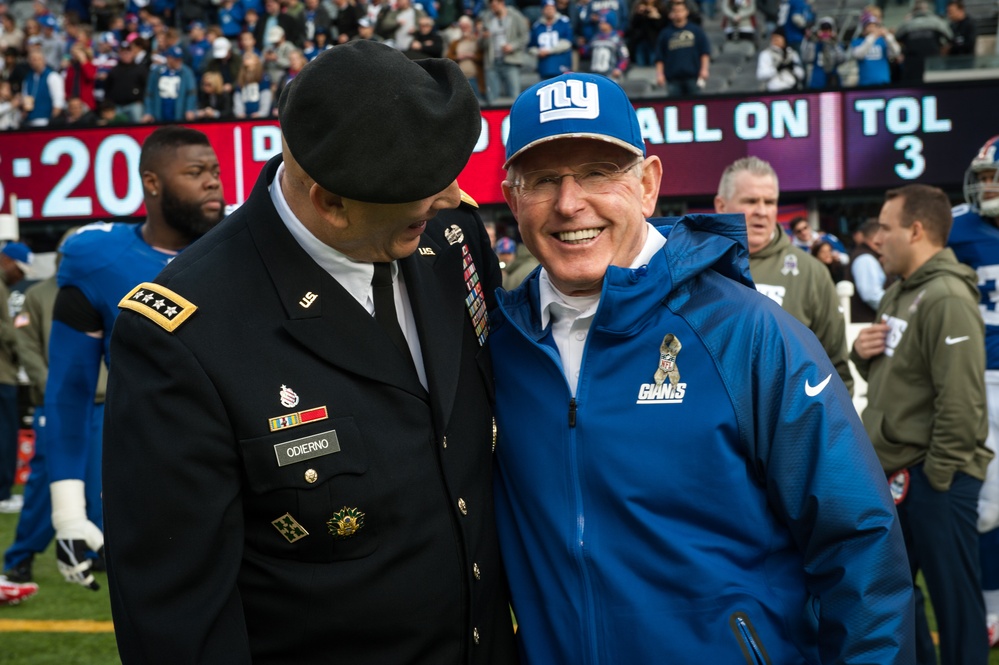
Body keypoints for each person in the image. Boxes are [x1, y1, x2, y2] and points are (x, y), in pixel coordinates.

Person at [102, 41, 518, 663]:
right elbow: (178, 623)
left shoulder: (449, 242)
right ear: (331, 201)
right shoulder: (185, 334)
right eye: (422, 191)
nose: (453, 199)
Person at [492, 71, 914, 664]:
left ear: (647, 184)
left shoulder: (748, 334)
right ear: (512, 199)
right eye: (542, 180)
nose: (569, 202)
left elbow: (859, 543)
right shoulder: (499, 345)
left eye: (596, 172)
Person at [46, 126, 225, 593]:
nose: (212, 182)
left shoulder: (242, 248)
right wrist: (67, 512)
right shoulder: (97, 259)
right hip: (156, 489)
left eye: (215, 171)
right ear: (152, 182)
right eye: (195, 172)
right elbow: (69, 392)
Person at [852, 184, 992, 665]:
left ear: (915, 230)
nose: (877, 239)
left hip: (935, 479)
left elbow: (962, 403)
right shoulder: (898, 292)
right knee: (899, 603)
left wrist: (937, 478)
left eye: (886, 229)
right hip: (899, 477)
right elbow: (900, 379)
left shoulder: (948, 296)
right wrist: (861, 354)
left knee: (955, 606)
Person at [2, 256, 106, 584]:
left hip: (103, 402)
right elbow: (25, 343)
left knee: (102, 482)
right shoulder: (38, 294)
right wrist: (49, 385)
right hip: (57, 404)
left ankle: (98, 552)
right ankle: (22, 557)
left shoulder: (103, 289)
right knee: (46, 484)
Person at [715, 157, 854, 394]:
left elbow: (835, 369)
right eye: (750, 201)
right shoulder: (701, 267)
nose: (761, 211)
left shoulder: (811, 272)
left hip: (787, 427)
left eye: (769, 202)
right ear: (721, 206)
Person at [948, 134, 999, 647]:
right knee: (990, 503)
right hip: (985, 377)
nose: (986, 187)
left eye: (994, 177)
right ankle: (991, 605)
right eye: (982, 177)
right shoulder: (959, 229)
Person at [0, 242, 31, 515]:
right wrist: (18, 342)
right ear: (7, 260)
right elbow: (6, 330)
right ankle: (2, 493)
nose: (19, 276)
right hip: (3, 373)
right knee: (6, 433)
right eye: (18, 268)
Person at [654, 0, 710, 96]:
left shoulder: (696, 30)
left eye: (680, 10)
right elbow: (659, 58)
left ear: (686, 12)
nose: (678, 13)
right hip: (673, 79)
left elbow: (704, 52)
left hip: (693, 77)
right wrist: (660, 74)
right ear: (671, 14)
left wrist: (704, 69)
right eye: (675, 11)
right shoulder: (665, 34)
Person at [480, 0, 530, 104]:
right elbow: (481, 43)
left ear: (501, 3)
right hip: (492, 61)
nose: (493, 8)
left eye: (494, 5)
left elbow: (525, 37)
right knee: (492, 97)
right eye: (491, 6)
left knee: (514, 95)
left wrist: (512, 46)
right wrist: (484, 37)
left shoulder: (515, 15)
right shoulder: (487, 18)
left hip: (510, 60)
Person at [894, 0, 952, 84]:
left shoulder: (906, 24)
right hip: (933, 61)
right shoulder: (937, 22)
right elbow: (950, 37)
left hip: (913, 63)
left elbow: (897, 38)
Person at [142, 45, 197, 123]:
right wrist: (148, 112)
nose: (178, 62)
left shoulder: (186, 72)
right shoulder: (157, 72)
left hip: (179, 111)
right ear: (168, 58)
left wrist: (189, 109)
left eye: (180, 59)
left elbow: (191, 93)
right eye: (176, 59)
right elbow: (149, 93)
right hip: (160, 109)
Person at [850, 217, 887, 323]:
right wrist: (897, 307)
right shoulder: (865, 259)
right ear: (876, 236)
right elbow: (872, 295)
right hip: (866, 323)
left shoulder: (867, 256)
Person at [850, 11, 900, 87]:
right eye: (869, 26)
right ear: (864, 28)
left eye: (874, 26)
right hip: (865, 83)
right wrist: (872, 37)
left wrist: (887, 36)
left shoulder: (882, 41)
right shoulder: (857, 41)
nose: (872, 28)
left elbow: (896, 52)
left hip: (883, 82)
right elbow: (859, 55)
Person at [528, 0, 573, 80]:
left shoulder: (563, 22)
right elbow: (531, 46)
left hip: (561, 62)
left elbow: (567, 42)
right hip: (544, 66)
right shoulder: (537, 26)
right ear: (542, 10)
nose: (549, 10)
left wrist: (549, 50)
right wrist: (538, 52)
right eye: (547, 8)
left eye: (551, 8)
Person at [21, 47, 65, 127]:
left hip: (45, 120)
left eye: (36, 59)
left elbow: (58, 101)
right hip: (30, 120)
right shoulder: (28, 78)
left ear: (43, 60)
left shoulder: (52, 76)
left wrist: (52, 121)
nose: (34, 62)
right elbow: (25, 97)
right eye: (31, 59)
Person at [800, 15, 845, 89]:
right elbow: (807, 59)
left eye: (828, 29)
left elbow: (841, 59)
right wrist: (811, 40)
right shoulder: (814, 43)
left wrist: (834, 43)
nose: (826, 32)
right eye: (823, 29)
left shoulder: (836, 44)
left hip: (833, 82)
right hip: (816, 82)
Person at [756, 26, 803, 91]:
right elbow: (761, 75)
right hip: (774, 92)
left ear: (784, 39)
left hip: (792, 90)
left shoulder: (792, 53)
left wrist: (793, 68)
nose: (775, 40)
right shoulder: (766, 54)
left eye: (778, 38)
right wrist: (776, 69)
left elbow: (801, 75)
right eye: (773, 38)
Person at [586, 14, 629, 79]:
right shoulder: (595, 37)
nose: (600, 24)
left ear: (610, 24)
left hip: (610, 75)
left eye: (603, 22)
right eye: (600, 22)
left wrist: (619, 69)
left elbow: (624, 57)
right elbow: (587, 51)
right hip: (594, 74)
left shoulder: (617, 38)